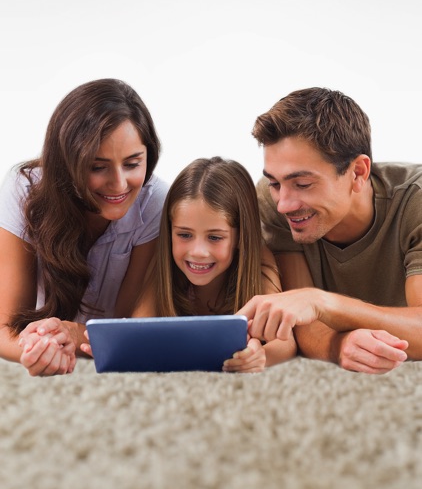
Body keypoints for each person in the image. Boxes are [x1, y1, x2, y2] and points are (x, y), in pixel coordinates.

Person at [237, 86, 421, 374]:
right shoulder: (273, 204)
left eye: (303, 184)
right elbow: (301, 322)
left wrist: (322, 302)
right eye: (274, 183)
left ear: (358, 172)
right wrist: (338, 345)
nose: (284, 204)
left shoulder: (415, 201)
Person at [0, 78, 167, 376]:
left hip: (90, 354)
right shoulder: (23, 189)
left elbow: (134, 330)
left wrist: (75, 336)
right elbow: (5, 328)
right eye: (97, 167)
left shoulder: (154, 201)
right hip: (43, 339)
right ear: (67, 163)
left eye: (132, 164)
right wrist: (41, 350)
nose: (119, 184)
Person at [130, 157, 297, 372]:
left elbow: (285, 342)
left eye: (215, 237)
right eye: (184, 235)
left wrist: (260, 356)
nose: (198, 252)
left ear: (241, 237)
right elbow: (138, 330)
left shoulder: (260, 262)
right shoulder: (163, 266)